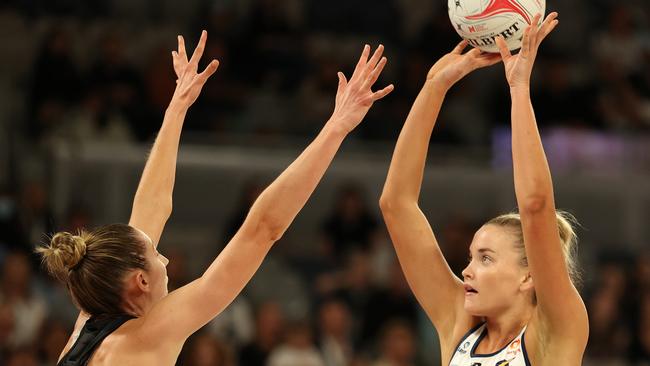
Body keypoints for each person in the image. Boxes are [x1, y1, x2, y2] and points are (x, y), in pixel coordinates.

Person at [37, 30, 393, 365]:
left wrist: (177, 107)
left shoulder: (88, 326)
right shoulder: (148, 335)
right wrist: (336, 127)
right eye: (156, 255)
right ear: (140, 281)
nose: (165, 261)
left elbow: (153, 206)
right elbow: (262, 228)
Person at [379, 13, 589, 365]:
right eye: (473, 256)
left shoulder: (556, 330)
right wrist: (435, 87)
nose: (467, 270)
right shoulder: (458, 324)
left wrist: (519, 88)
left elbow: (535, 206)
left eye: (486, 258)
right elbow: (395, 205)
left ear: (528, 275)